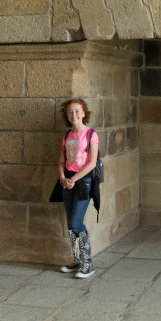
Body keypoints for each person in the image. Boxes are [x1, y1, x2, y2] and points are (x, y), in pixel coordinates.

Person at [57, 97, 98, 278]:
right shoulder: (66, 135)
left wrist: (73, 179)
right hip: (68, 182)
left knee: (76, 222)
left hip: (83, 182)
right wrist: (63, 178)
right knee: (69, 223)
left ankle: (88, 263)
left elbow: (92, 163)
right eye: (70, 112)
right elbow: (61, 161)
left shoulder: (91, 134)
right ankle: (77, 260)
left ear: (83, 113)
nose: (73, 115)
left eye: (76, 111)